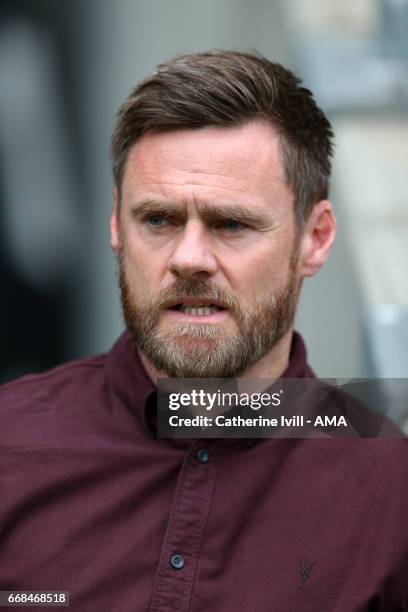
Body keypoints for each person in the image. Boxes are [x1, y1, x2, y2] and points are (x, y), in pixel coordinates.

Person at [0, 50, 407, 612]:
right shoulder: (9, 447)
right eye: (159, 220)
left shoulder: (391, 491)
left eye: (231, 223)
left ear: (315, 238)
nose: (189, 258)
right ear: (117, 224)